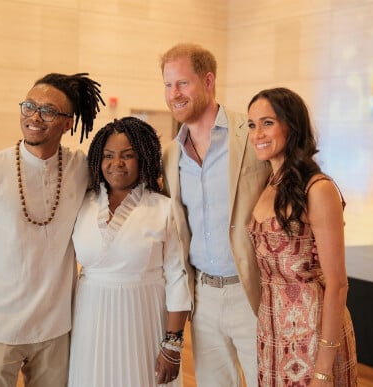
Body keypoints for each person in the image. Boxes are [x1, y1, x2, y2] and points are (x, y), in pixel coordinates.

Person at [0, 73, 104, 386]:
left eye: (47, 110)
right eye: (29, 106)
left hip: (57, 329)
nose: (34, 116)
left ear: (67, 123)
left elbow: (122, 175)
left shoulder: (82, 168)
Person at [160, 43, 272, 386]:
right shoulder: (170, 154)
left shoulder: (251, 134)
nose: (173, 94)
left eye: (182, 83)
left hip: (251, 293)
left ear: (208, 80)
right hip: (203, 297)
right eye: (167, 85)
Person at [246, 87, 358, 386]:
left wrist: (323, 369)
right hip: (271, 330)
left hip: (313, 333)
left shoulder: (318, 189)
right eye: (252, 125)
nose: (257, 134)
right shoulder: (267, 184)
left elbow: (337, 284)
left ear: (292, 126)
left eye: (267, 123)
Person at [68, 117, 191, 386]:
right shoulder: (83, 202)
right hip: (90, 320)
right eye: (108, 155)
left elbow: (177, 277)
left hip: (143, 319)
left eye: (128, 155)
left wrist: (173, 344)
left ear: (144, 158)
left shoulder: (163, 208)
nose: (116, 163)